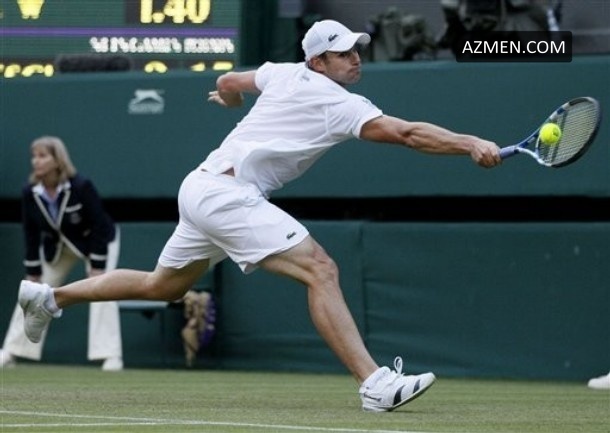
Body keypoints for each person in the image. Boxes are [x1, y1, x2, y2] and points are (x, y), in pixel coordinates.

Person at [17, 20, 501, 410]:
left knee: (161, 287)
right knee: (320, 269)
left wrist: (230, 98)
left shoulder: (282, 73)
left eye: (356, 49)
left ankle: (50, 298)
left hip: (199, 187)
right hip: (227, 195)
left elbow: (228, 81)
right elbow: (408, 134)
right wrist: (470, 143)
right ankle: (374, 383)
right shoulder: (336, 101)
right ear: (318, 62)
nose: (355, 57)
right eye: (343, 53)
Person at [0, 136, 123, 371]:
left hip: (97, 243)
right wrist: (33, 271)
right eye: (34, 156)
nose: (36, 161)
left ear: (57, 160)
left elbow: (99, 224)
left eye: (42, 156)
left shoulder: (81, 186)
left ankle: (110, 355)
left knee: (103, 289)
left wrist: (97, 265)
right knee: (33, 291)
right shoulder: (30, 192)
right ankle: (12, 351)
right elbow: (31, 232)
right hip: (57, 248)